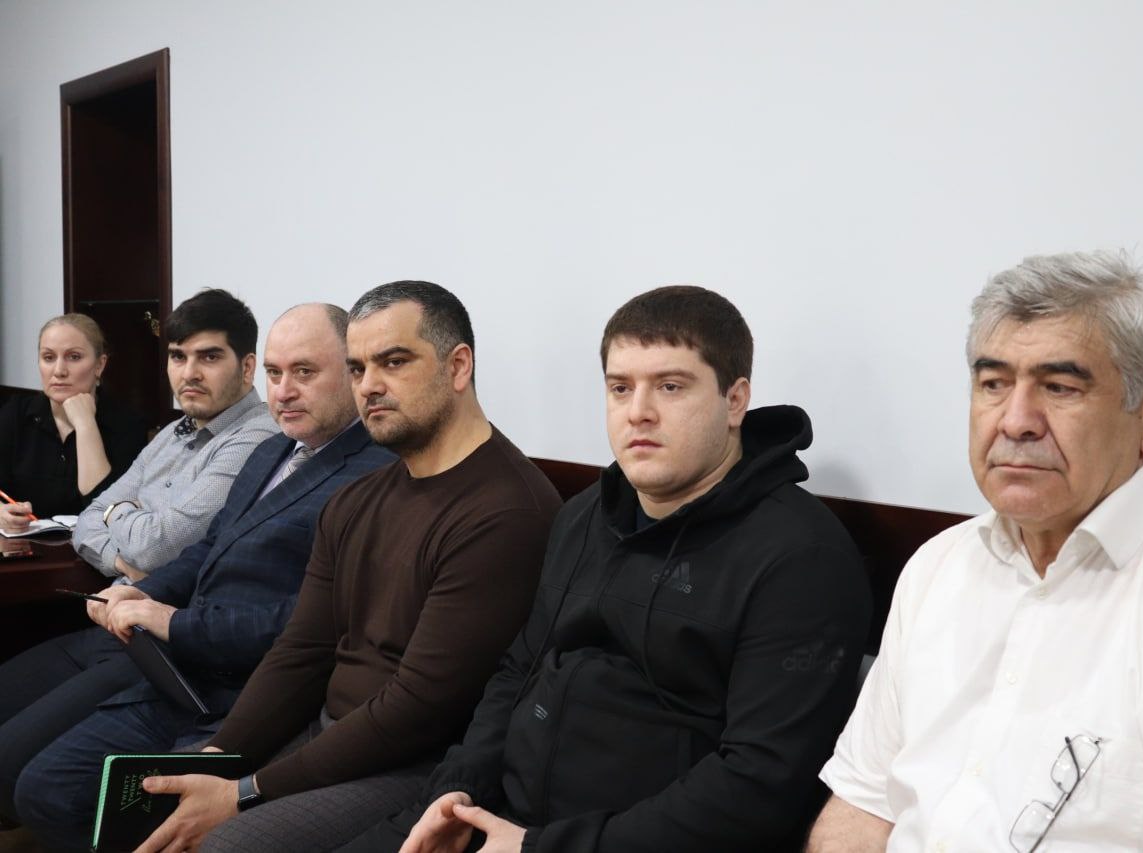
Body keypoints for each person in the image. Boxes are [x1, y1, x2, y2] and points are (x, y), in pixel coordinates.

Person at [345, 285, 872, 853]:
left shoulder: (802, 557)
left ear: (735, 400)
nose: (638, 411)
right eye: (620, 388)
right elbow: (518, 671)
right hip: (498, 819)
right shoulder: (584, 516)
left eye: (670, 386)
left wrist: (539, 847)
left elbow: (759, 784)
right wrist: (457, 792)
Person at [809, 251, 1143, 852]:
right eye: (994, 384)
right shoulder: (939, 565)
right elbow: (862, 807)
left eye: (1060, 387)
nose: (1016, 421)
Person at [131, 281, 562, 853]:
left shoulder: (506, 511)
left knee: (223, 845)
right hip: (329, 730)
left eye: (394, 361)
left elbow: (419, 708)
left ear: (458, 366)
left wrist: (246, 791)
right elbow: (302, 649)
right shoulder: (359, 497)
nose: (369, 385)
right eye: (358, 368)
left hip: (419, 764)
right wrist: (220, 758)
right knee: (155, 802)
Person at [0, 304, 394, 847]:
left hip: (247, 691)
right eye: (276, 373)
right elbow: (207, 547)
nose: (283, 391)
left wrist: (172, 620)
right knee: (41, 786)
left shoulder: (375, 472)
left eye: (304, 372)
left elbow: (311, 621)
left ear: (353, 373)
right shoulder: (274, 449)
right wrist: (141, 591)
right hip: (174, 665)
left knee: (53, 791)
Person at [72, 288, 278, 579]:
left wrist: (116, 511)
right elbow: (86, 521)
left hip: (175, 607)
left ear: (247, 368)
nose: (189, 373)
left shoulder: (258, 436)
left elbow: (154, 548)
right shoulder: (172, 433)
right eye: (178, 357)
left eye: (209, 357)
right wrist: (121, 563)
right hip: (121, 596)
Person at [0, 313, 146, 531]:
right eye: (48, 357)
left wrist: (86, 424)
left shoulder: (127, 425)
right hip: (23, 545)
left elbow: (106, 511)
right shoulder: (15, 413)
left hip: (94, 547)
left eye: (74, 357)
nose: (59, 371)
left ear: (99, 365)